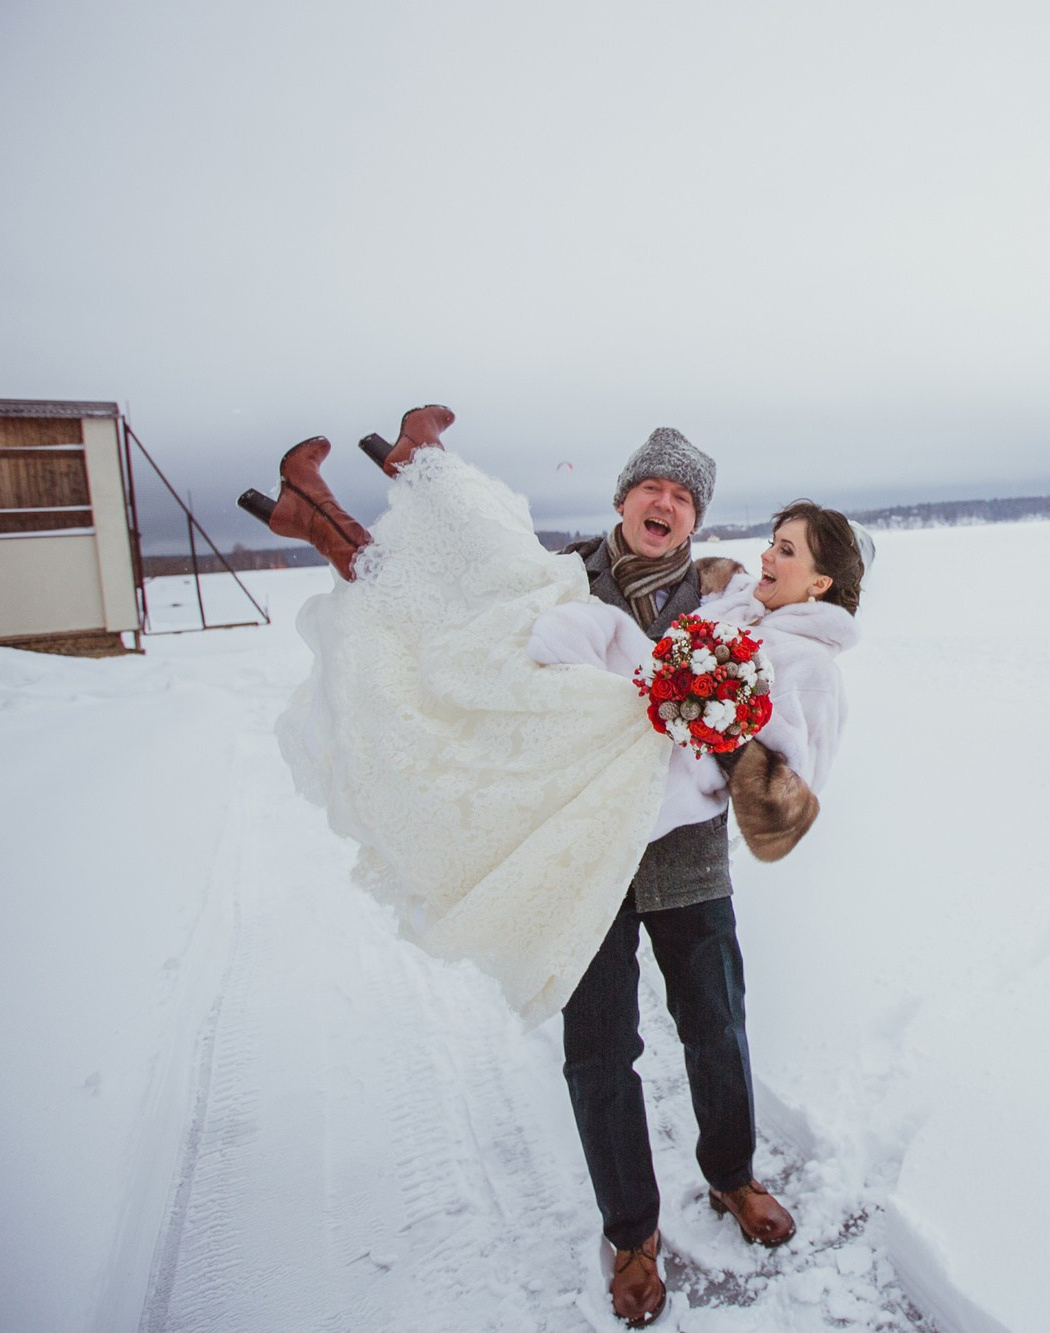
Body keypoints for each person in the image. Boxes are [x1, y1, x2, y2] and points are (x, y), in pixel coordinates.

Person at [239, 409, 867, 1329]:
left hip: (687, 860)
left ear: (697, 521)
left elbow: (782, 756)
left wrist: (719, 723)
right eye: (654, 485)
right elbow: (471, 617)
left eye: (685, 495)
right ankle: (633, 1233)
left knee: (716, 1025)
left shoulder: (725, 590)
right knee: (599, 1053)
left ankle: (732, 1174)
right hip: (580, 855)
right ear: (623, 497)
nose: (667, 502)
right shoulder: (562, 577)